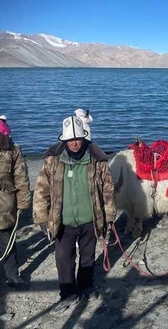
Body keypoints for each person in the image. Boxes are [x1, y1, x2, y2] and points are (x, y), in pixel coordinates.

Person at [33, 115, 116, 315]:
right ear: (64, 140)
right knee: (63, 259)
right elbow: (41, 189)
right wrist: (42, 217)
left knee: (88, 258)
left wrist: (110, 217)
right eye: (70, 140)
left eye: (77, 138)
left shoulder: (97, 160)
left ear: (83, 137)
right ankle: (69, 295)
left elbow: (108, 190)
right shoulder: (52, 160)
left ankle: (86, 287)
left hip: (90, 220)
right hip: (63, 222)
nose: (74, 143)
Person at [0, 115, 31, 291]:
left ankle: (12, 276)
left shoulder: (13, 150)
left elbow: (21, 178)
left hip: (5, 207)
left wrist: (23, 204)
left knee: (8, 241)